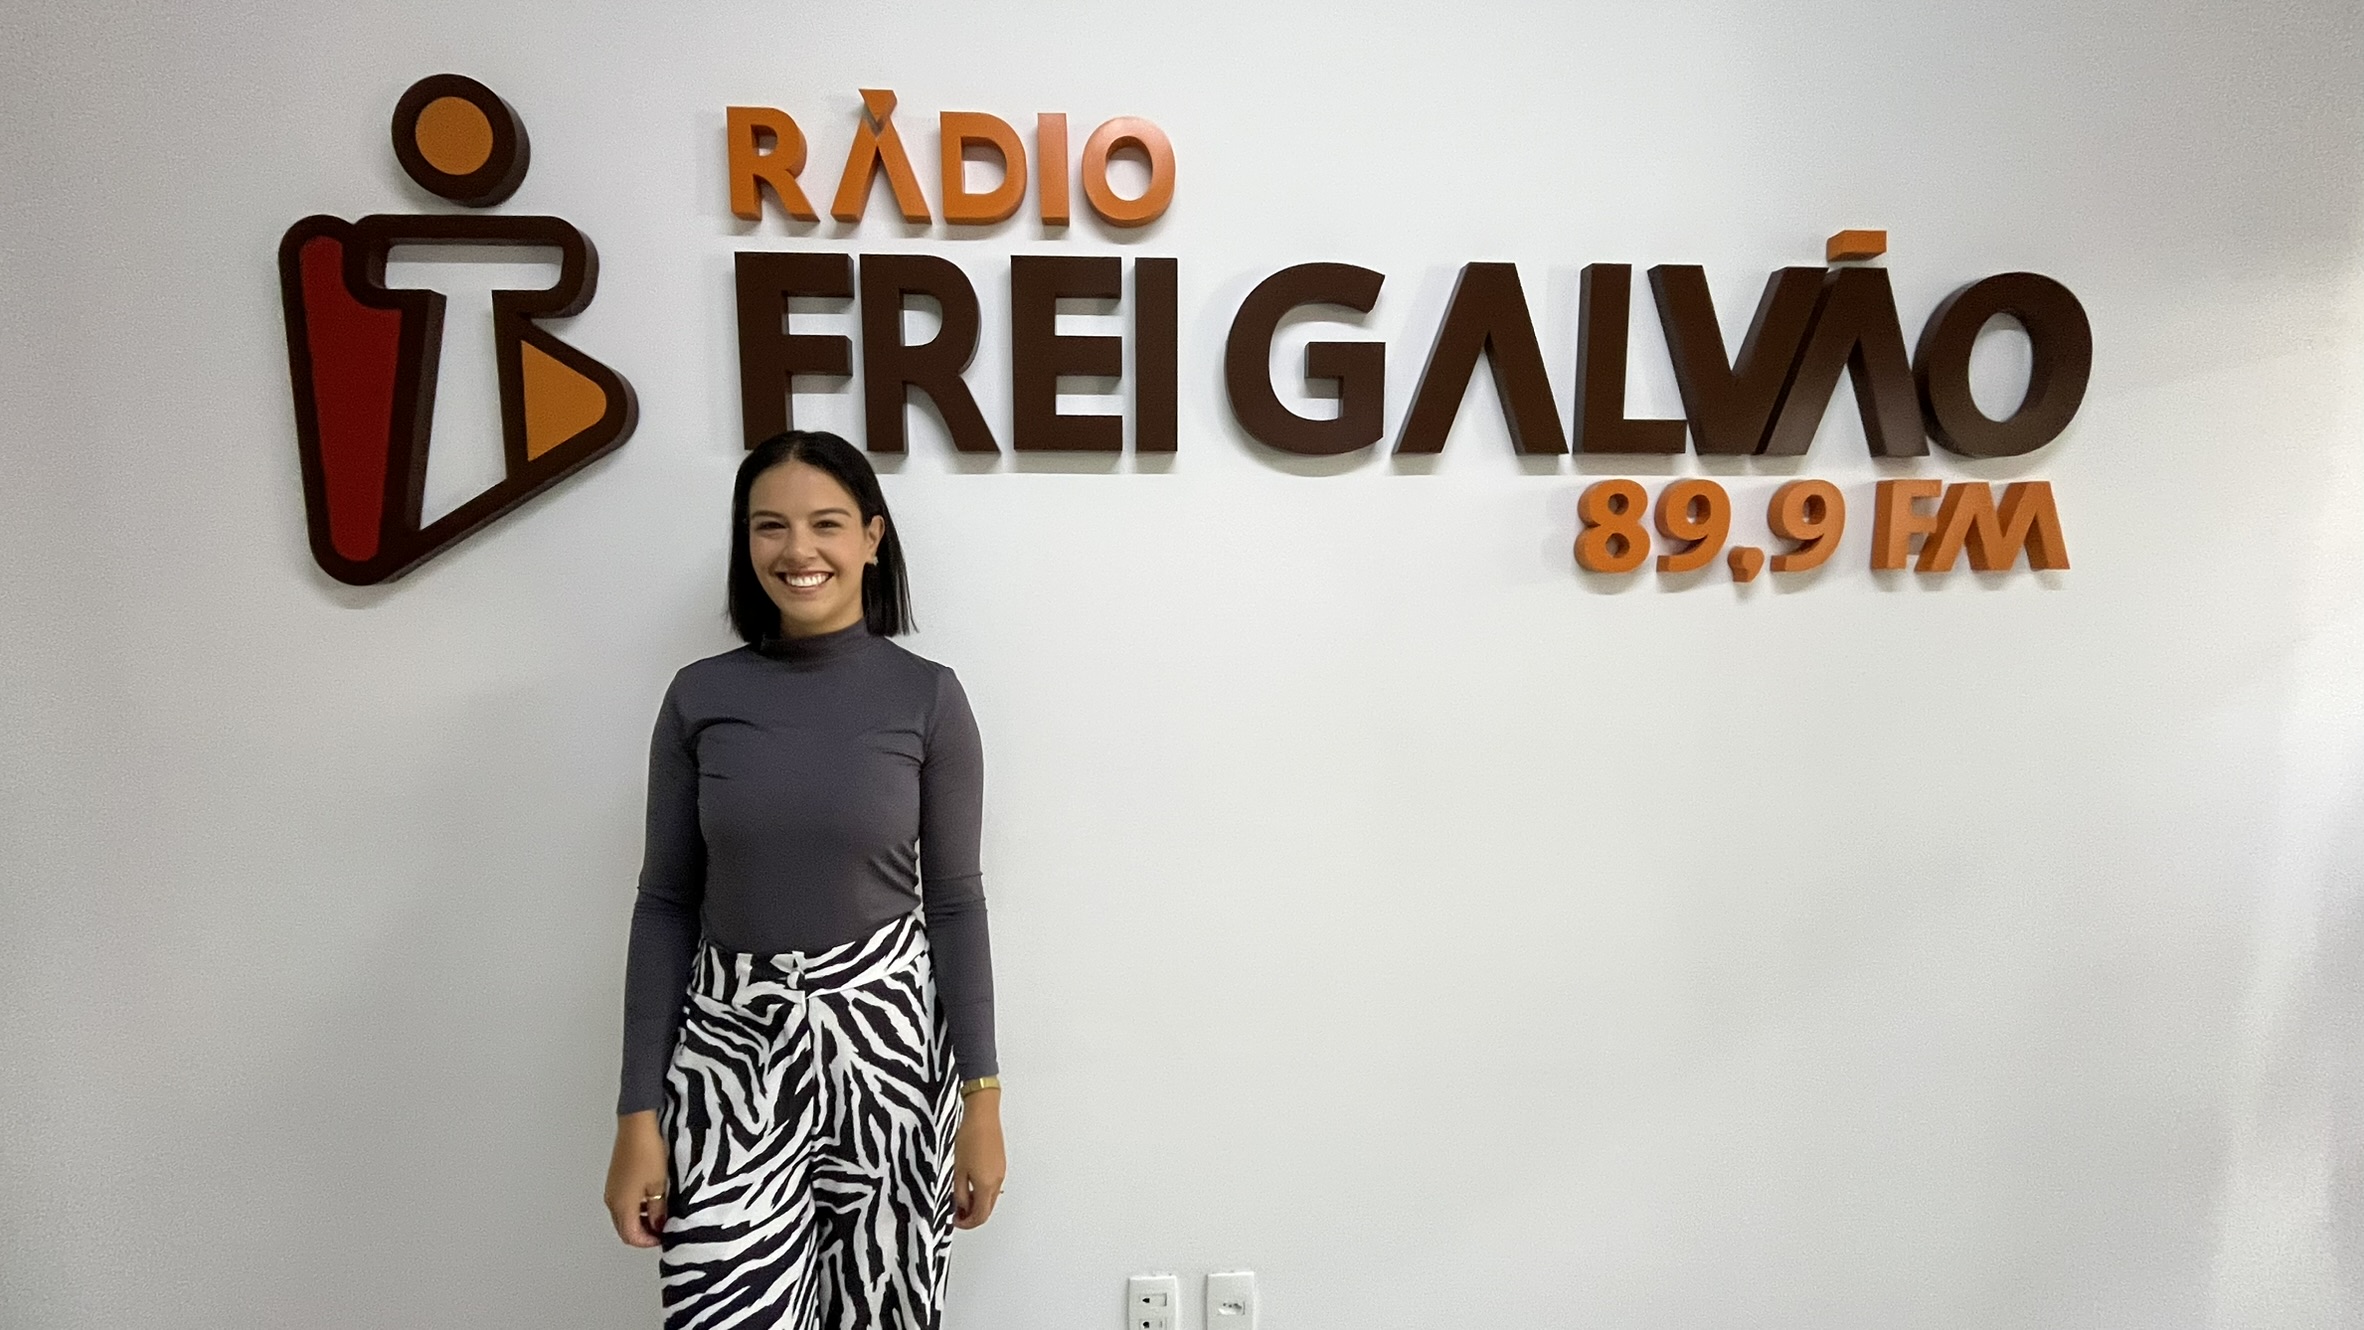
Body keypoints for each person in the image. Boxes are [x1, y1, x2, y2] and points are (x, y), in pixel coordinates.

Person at [603, 430, 1005, 1328]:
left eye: (826, 523)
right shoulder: (699, 697)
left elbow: (956, 904)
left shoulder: (928, 697)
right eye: (769, 526)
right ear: (746, 543)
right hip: (729, 1061)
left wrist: (981, 1102)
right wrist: (638, 1114)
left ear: (872, 537)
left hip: (890, 1064)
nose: (798, 550)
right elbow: (664, 904)